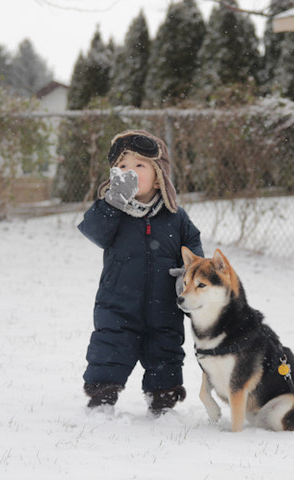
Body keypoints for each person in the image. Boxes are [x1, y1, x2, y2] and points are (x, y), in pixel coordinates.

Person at [78, 129, 203, 415]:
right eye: (122, 166)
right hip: (118, 300)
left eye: (139, 165)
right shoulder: (112, 211)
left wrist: (187, 275)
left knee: (166, 350)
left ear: (159, 173)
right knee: (111, 347)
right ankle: (101, 400)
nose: (130, 172)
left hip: (165, 303)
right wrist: (113, 203)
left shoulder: (176, 217)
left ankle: (163, 402)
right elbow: (93, 232)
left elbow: (194, 251)